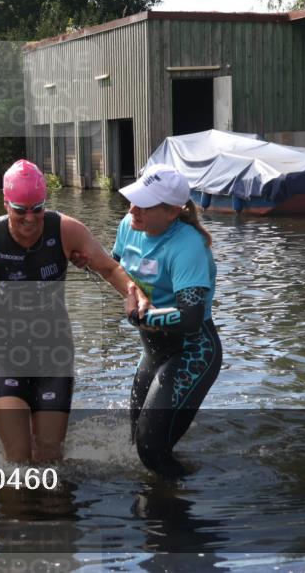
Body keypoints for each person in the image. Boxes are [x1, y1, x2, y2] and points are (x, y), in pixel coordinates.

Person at [0, 159, 148, 464]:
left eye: (38, 208)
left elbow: (110, 268)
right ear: (5, 203)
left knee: (49, 458)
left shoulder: (66, 230)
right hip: (3, 351)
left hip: (53, 351)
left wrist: (133, 293)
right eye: (20, 210)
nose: (30, 219)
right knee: (18, 460)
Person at [113, 164, 222, 477]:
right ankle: (163, 496)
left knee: (150, 450)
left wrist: (142, 315)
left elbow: (190, 319)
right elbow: (116, 270)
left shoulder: (188, 247)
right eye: (134, 200)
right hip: (153, 352)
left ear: (173, 211)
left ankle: (189, 498)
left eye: (144, 204)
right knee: (135, 443)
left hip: (192, 352)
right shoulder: (129, 225)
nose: (133, 208)